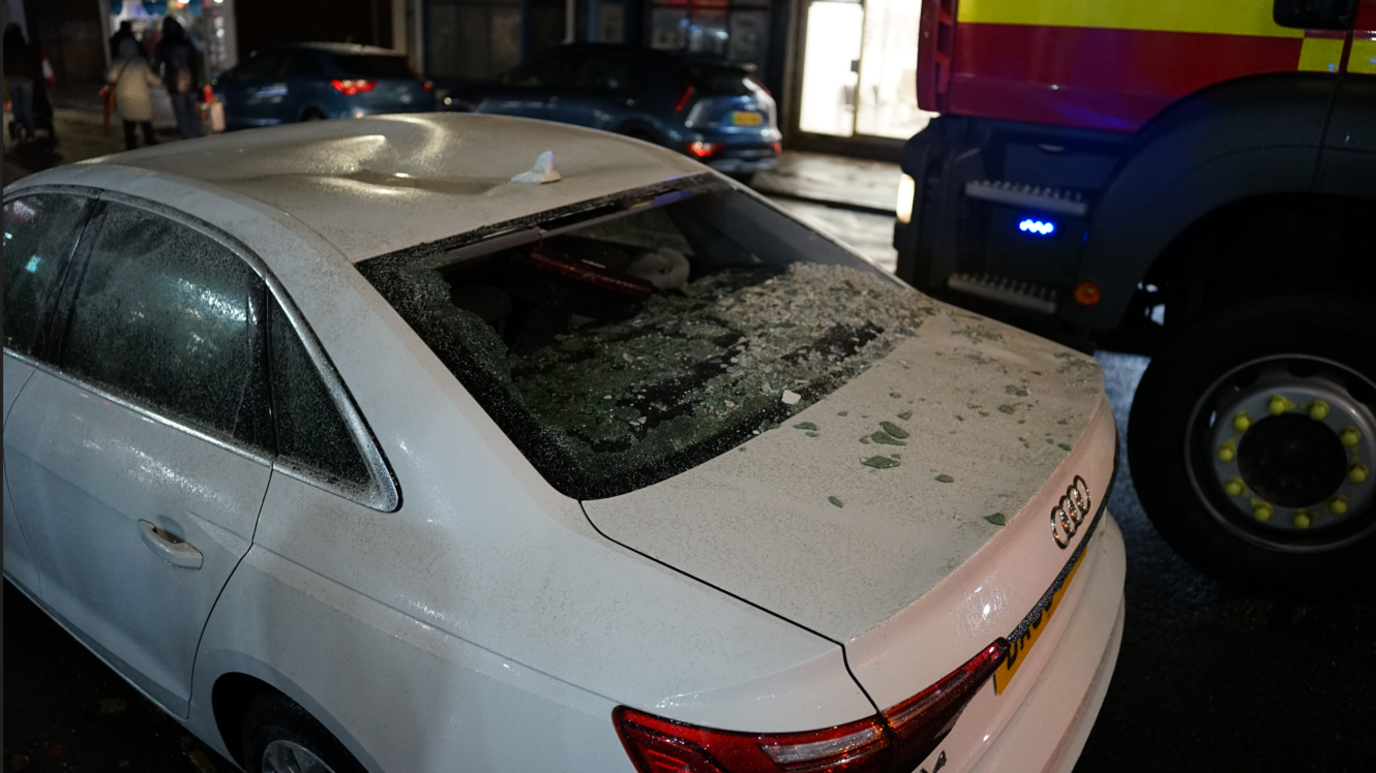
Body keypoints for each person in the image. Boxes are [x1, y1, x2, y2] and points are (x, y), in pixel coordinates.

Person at [107, 38, 161, 150]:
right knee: (145, 121)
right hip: (141, 96)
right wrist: (162, 81)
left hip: (125, 96)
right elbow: (151, 78)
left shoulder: (118, 62)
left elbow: (110, 77)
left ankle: (131, 146)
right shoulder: (141, 62)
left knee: (128, 123)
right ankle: (150, 140)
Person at [154, 17, 202, 141]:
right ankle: (197, 137)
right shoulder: (186, 43)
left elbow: (156, 65)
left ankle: (186, 139)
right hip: (192, 83)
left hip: (174, 84)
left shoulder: (163, 45)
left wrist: (159, 80)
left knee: (181, 114)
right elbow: (197, 61)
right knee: (193, 112)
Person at [3, 23, 39, 141]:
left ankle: (18, 125)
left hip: (11, 79)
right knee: (27, 107)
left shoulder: (5, 47)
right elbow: (33, 60)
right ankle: (30, 133)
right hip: (26, 78)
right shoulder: (23, 45)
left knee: (16, 107)